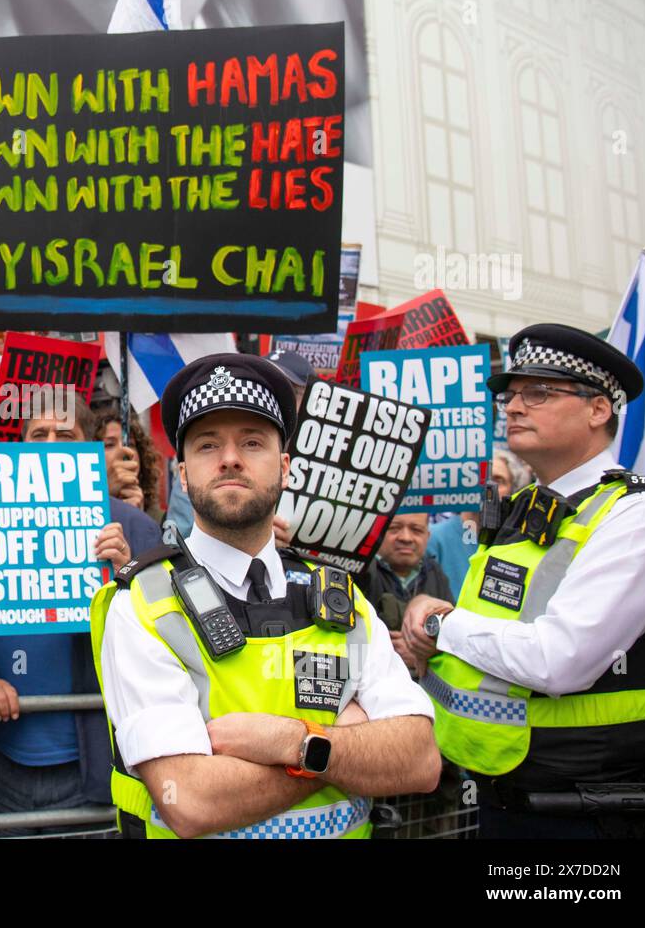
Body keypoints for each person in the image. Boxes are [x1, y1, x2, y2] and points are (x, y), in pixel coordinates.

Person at [92, 354, 441, 839]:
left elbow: (419, 761)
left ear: (285, 468)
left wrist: (292, 742)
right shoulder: (142, 605)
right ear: (184, 472)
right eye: (208, 444)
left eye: (251, 443)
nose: (230, 458)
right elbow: (189, 799)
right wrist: (348, 743)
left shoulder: (342, 597)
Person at [402, 324, 645, 838]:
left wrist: (442, 625)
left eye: (539, 392)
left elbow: (559, 660)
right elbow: (493, 633)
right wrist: (430, 647)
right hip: (496, 793)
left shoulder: (639, 517)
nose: (514, 406)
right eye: (511, 393)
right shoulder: (530, 507)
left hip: (586, 810)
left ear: (599, 409)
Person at [0, 393, 163, 836]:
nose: (50, 443)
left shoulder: (134, 527)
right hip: (5, 760)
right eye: (38, 434)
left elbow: (167, 640)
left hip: (94, 760)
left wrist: (127, 574)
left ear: (90, 447)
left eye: (66, 434)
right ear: (19, 446)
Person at [426, 450, 525, 597]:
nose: (489, 487)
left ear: (513, 490)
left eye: (498, 480)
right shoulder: (434, 538)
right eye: (482, 478)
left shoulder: (518, 544)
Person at [356, 513, 454, 640]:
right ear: (377, 531)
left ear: (427, 536)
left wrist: (424, 652)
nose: (406, 538)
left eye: (416, 530)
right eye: (394, 528)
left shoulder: (435, 573)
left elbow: (449, 633)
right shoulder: (360, 572)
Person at [97, 414, 163, 522]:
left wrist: (139, 520)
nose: (125, 451)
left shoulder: (163, 521)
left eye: (130, 444)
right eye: (109, 444)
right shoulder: (80, 514)